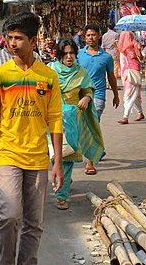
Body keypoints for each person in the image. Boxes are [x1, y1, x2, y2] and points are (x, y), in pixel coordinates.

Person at [0, 12, 64, 264]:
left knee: (34, 222)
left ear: (33, 41)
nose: (12, 43)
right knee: (9, 216)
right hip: (7, 155)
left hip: (38, 158)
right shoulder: (0, 74)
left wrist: (58, 162)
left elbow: (56, 121)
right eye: (9, 38)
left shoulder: (48, 76)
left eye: (18, 38)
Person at [48, 38, 104, 210]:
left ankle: (61, 195)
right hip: (52, 119)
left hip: (73, 120)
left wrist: (87, 98)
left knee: (67, 158)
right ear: (59, 55)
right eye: (65, 54)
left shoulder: (81, 73)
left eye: (72, 53)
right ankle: (62, 179)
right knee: (55, 156)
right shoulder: (50, 70)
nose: (69, 57)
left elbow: (88, 90)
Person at [77, 24, 119, 175]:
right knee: (83, 126)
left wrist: (116, 94)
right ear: (84, 37)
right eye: (88, 35)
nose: (91, 38)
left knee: (92, 126)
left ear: (99, 35)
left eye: (93, 35)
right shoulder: (79, 55)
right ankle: (98, 150)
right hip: (80, 96)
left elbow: (111, 77)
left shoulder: (106, 57)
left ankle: (90, 163)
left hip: (98, 96)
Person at [116, 31, 144, 126]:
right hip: (129, 72)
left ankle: (125, 116)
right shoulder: (123, 48)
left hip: (132, 72)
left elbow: (141, 58)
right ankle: (140, 113)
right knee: (134, 95)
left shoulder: (134, 46)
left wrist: (137, 52)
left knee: (128, 96)